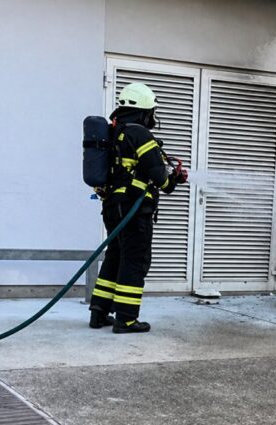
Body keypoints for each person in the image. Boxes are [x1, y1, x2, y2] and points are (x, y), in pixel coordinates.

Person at [89, 82, 187, 334]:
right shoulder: (140, 134)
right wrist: (172, 181)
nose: (153, 117)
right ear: (144, 111)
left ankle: (98, 312)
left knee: (115, 256)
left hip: (112, 207)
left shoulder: (115, 132)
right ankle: (126, 319)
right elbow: (160, 177)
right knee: (135, 260)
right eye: (152, 112)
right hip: (133, 209)